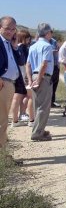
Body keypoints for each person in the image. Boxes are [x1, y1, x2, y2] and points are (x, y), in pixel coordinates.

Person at [0, 16, 25, 163]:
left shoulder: (9, 44)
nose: (10, 31)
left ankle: (4, 154)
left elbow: (21, 61)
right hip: (3, 83)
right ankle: (4, 158)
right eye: (7, 28)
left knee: (4, 120)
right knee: (2, 121)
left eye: (13, 29)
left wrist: (15, 46)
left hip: (10, 84)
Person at [26, 23, 55, 141]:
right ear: (48, 33)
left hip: (34, 75)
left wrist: (30, 79)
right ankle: (37, 132)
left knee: (37, 105)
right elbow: (44, 63)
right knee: (44, 106)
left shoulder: (33, 46)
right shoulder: (47, 46)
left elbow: (28, 64)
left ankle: (39, 129)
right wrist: (39, 79)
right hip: (43, 77)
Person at [10, 30, 30, 127]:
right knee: (19, 96)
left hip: (14, 74)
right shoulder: (20, 47)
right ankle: (17, 118)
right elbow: (23, 62)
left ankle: (16, 118)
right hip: (20, 74)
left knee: (17, 97)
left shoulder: (12, 46)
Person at [50, 34, 61, 108]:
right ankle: (49, 102)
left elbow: (57, 50)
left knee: (54, 84)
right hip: (49, 67)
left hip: (55, 65)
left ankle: (52, 101)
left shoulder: (53, 41)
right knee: (49, 85)